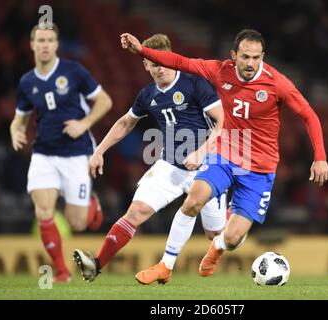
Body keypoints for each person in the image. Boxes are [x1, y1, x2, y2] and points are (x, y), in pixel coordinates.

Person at [120, 28, 328, 279]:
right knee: (194, 199)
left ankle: (218, 248)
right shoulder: (221, 70)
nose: (250, 63)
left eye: (256, 57)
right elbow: (181, 62)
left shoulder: (277, 83)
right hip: (225, 155)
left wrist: (320, 156)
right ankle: (165, 265)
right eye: (245, 57)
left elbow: (309, 115)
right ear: (234, 55)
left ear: (263, 56)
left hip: (260, 168)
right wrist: (142, 51)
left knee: (232, 238)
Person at [73, 34, 226, 284]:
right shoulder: (147, 95)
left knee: (216, 235)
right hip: (169, 166)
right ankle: (96, 264)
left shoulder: (194, 84)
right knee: (136, 212)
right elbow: (125, 123)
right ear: (145, 64)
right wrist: (99, 150)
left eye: (162, 63)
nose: (158, 69)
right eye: (152, 64)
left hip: (208, 166)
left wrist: (202, 151)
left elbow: (222, 121)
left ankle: (232, 214)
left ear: (171, 59)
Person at [10, 23, 112, 282]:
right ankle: (62, 271)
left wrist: (84, 124)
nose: (45, 45)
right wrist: (15, 131)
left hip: (76, 153)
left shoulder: (74, 71)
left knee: (77, 223)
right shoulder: (27, 81)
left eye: (50, 40)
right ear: (32, 45)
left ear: (56, 44)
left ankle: (91, 204)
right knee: (43, 211)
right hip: (44, 154)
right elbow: (19, 119)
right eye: (40, 40)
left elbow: (105, 101)